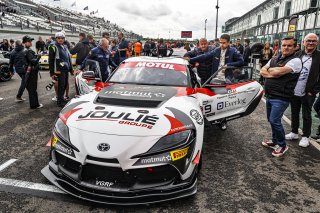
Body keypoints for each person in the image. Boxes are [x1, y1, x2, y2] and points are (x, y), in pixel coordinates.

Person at [260, 36, 302, 157]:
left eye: (289, 45)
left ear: (295, 47)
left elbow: (277, 72)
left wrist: (273, 72)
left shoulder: (296, 60)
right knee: (271, 120)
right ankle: (275, 141)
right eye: (284, 45)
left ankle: (283, 145)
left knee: (274, 120)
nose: (286, 47)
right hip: (269, 95)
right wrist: (272, 74)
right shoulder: (275, 57)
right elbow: (263, 70)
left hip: (281, 97)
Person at [285, 33, 320, 147]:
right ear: (303, 42)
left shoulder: (319, 56)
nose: (311, 43)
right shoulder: (297, 54)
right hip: (295, 89)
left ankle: (305, 136)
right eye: (309, 40)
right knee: (294, 112)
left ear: (317, 43)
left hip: (308, 92)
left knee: (306, 114)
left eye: (313, 41)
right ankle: (294, 132)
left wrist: (314, 90)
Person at [49, 32, 73, 107]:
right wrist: (52, 73)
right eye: (59, 38)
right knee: (61, 85)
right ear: (56, 38)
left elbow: (68, 58)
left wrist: (71, 68)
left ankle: (62, 98)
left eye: (62, 38)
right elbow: (51, 60)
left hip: (66, 69)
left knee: (65, 84)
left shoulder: (65, 46)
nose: (60, 39)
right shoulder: (53, 46)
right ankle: (59, 101)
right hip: (59, 70)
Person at [20, 36, 42, 109]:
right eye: (29, 41)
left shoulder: (25, 50)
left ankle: (34, 104)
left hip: (29, 71)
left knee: (31, 89)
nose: (30, 42)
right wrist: (39, 56)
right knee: (32, 89)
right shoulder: (27, 50)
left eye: (31, 41)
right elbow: (34, 61)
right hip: (31, 72)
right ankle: (35, 105)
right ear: (24, 42)